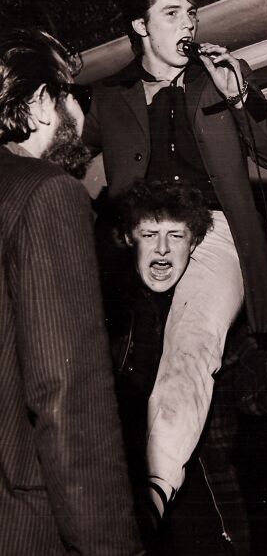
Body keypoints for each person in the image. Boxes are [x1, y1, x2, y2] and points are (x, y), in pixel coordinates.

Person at [82, 0, 267, 517]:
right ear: (141, 26)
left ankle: (155, 486)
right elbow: (58, 154)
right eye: (172, 13)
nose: (188, 23)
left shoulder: (220, 77)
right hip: (145, 233)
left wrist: (242, 95)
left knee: (194, 340)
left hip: (211, 231)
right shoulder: (109, 98)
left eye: (191, 12)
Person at [106, 179, 267, 554]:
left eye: (176, 236)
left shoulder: (215, 317)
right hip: (118, 508)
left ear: (194, 246)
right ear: (131, 240)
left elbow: (264, 397)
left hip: (206, 514)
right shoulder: (110, 319)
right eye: (150, 233)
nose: (162, 248)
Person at [0, 28, 143, 556]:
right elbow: (68, 400)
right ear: (40, 105)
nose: (81, 120)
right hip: (27, 529)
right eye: (72, 100)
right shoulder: (45, 194)